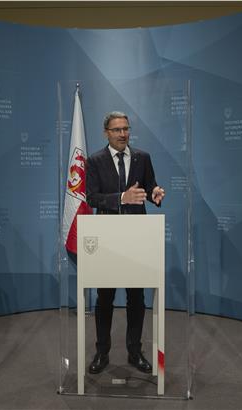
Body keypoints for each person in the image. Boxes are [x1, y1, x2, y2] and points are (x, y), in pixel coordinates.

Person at [85, 111, 166, 374]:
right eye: (117, 130)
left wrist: (156, 194)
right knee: (105, 296)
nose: (123, 134)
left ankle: (135, 352)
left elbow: (151, 187)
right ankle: (102, 352)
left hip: (136, 235)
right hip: (107, 235)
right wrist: (122, 197)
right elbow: (92, 198)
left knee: (136, 296)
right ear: (106, 132)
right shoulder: (95, 161)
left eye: (126, 129)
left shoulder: (143, 158)